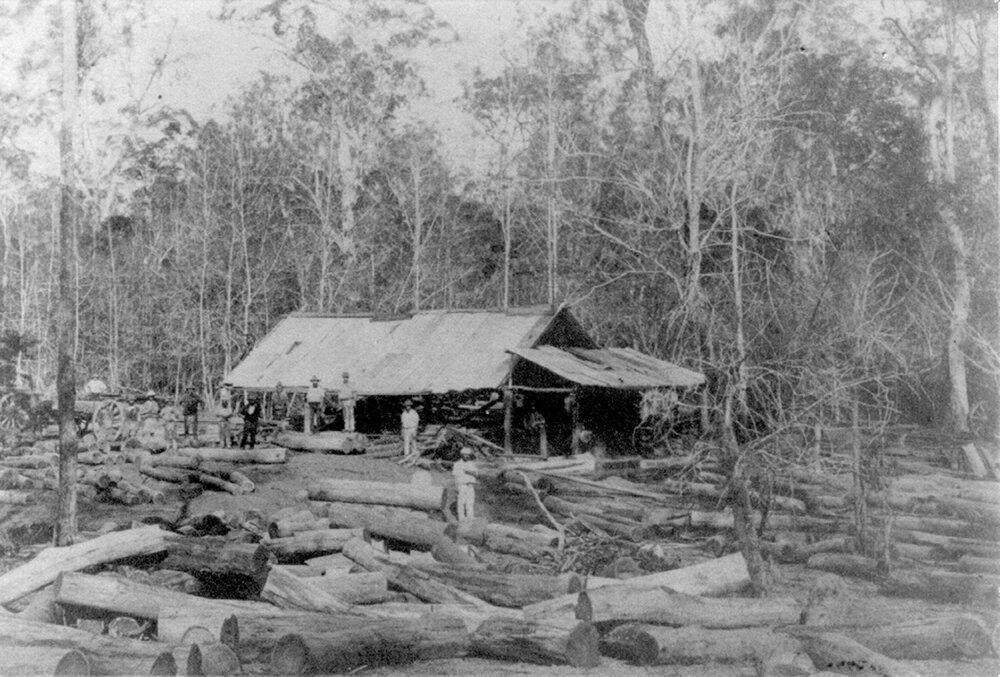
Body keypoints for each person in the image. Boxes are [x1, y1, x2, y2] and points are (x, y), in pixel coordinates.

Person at [452, 446, 478, 521]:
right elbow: (455, 476)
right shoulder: (457, 464)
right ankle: (461, 518)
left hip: (470, 485)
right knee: (461, 502)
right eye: (464, 454)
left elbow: (477, 474)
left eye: (468, 455)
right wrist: (456, 487)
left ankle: (470, 518)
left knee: (470, 502)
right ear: (461, 455)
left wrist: (470, 472)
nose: (466, 456)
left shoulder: (472, 464)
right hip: (462, 485)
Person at [398, 399, 420, 465]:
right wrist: (402, 431)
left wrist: (415, 430)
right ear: (405, 406)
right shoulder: (403, 414)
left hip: (412, 429)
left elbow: (417, 422)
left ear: (411, 406)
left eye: (409, 405)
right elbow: (402, 423)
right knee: (406, 443)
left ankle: (415, 456)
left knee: (413, 443)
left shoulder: (414, 413)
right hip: (405, 429)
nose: (408, 407)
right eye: (406, 406)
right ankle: (406, 456)